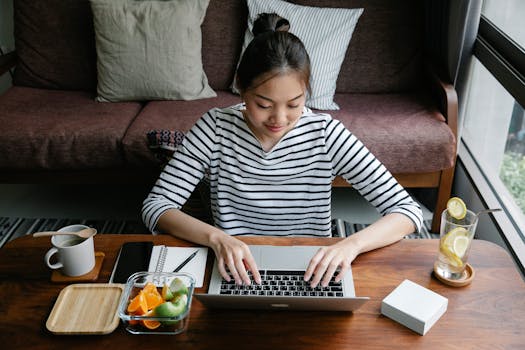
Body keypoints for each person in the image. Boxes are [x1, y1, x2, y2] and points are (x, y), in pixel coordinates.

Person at [142, 13, 422, 289]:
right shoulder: (214, 128)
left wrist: (350, 245)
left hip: (313, 269)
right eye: (263, 105)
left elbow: (408, 211)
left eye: (294, 104)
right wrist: (218, 239)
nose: (279, 119)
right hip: (235, 268)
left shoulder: (326, 134)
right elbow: (156, 206)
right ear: (241, 87)